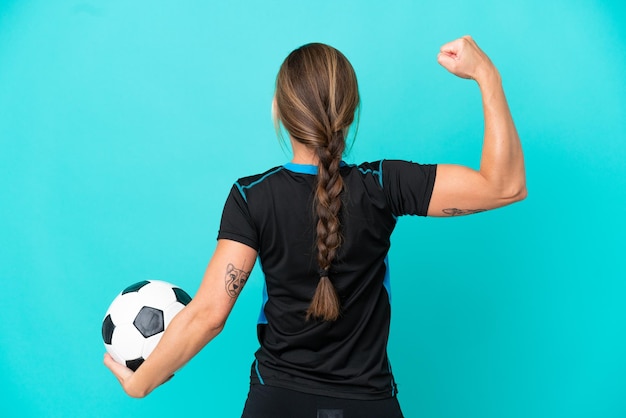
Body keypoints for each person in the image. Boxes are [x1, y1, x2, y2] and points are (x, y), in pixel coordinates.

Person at [105, 36, 526, 417]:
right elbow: (505, 187)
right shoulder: (384, 185)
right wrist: (486, 76)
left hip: (277, 404)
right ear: (350, 111)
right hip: (370, 405)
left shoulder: (252, 195)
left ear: (279, 110)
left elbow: (210, 315)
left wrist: (142, 383)